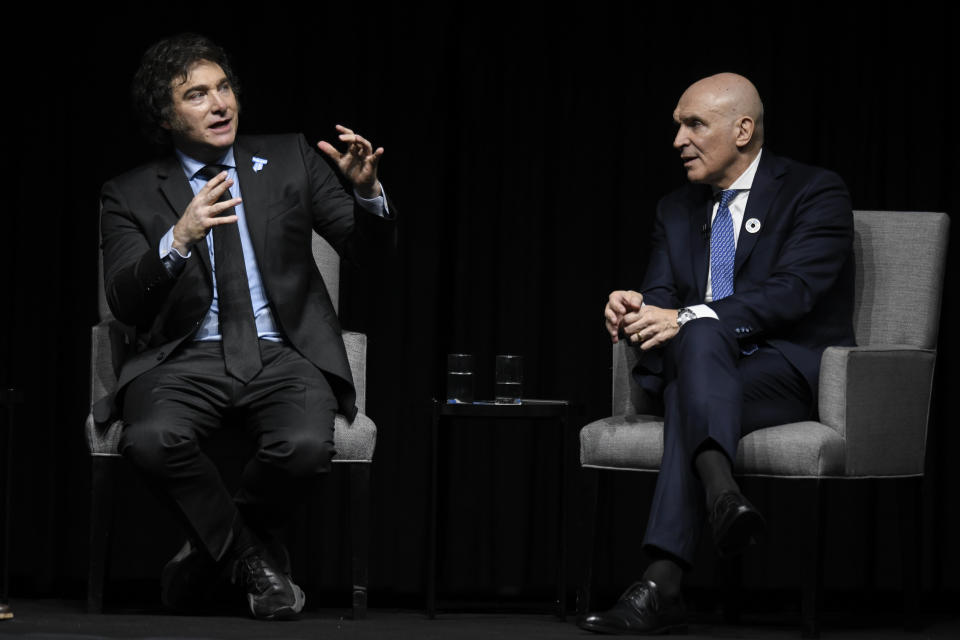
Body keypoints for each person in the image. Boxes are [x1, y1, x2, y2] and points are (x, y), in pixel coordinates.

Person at [98, 33, 395, 620]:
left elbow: (372, 258)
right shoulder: (128, 192)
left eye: (224, 87)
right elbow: (125, 301)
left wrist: (366, 195)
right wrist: (177, 241)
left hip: (282, 352)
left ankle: (213, 558)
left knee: (308, 448)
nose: (219, 104)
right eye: (196, 94)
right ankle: (257, 562)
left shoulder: (290, 158)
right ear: (165, 114)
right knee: (152, 440)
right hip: (182, 358)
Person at [580, 73, 855, 635]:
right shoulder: (675, 209)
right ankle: (720, 498)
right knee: (697, 345)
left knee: (700, 336)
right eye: (677, 126)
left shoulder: (814, 190)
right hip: (701, 371)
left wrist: (686, 316)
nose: (678, 139)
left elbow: (794, 290)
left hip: (781, 371)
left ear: (743, 130)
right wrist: (632, 305)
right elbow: (659, 294)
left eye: (694, 124)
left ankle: (662, 578)